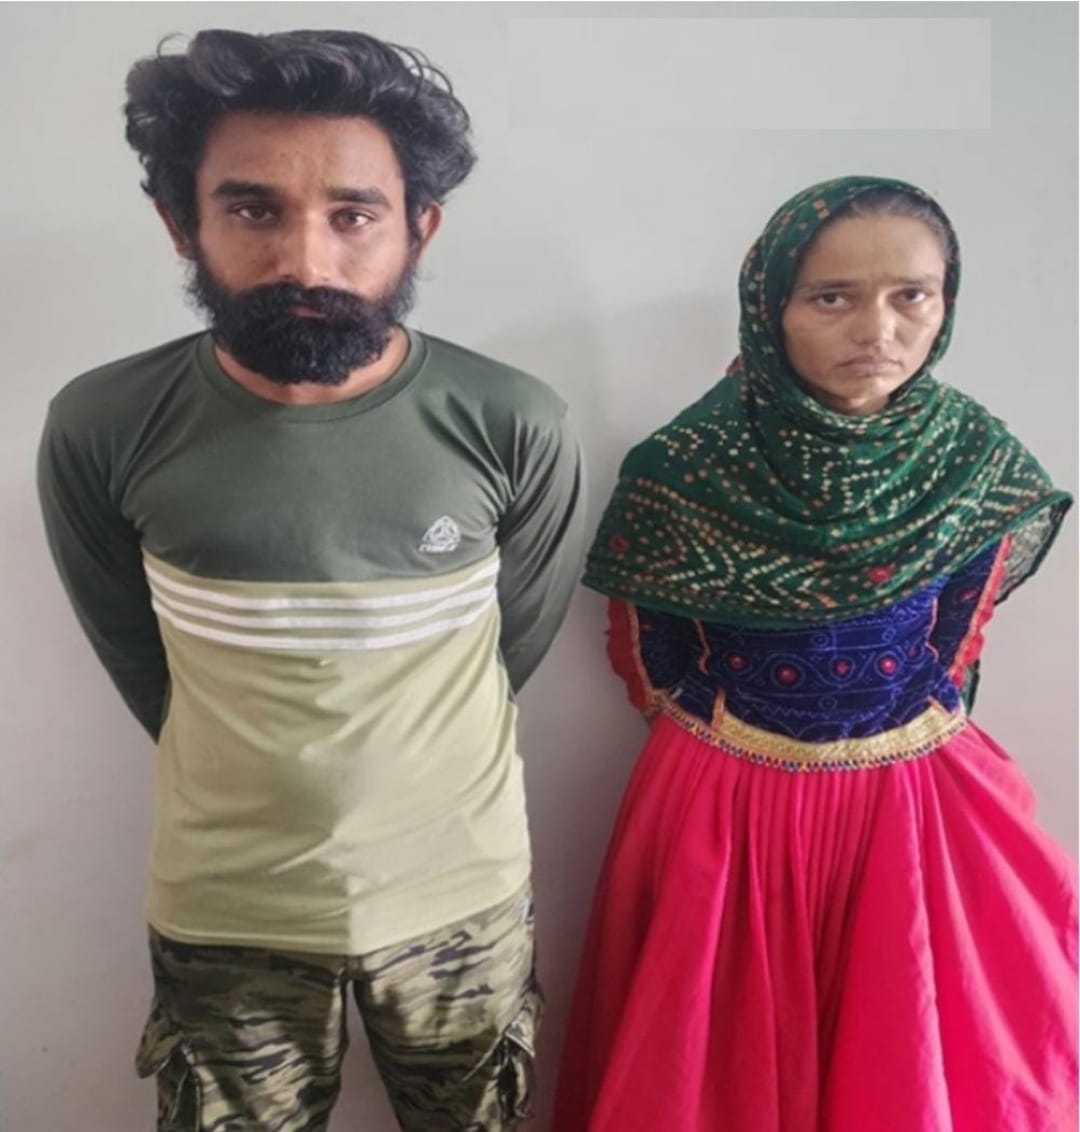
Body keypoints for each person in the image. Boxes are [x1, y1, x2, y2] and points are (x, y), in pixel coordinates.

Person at [36, 28, 585, 1132]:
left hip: (461, 899)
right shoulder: (101, 425)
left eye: (353, 214)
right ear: (180, 223)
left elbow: (509, 645)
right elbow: (139, 657)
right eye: (253, 209)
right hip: (226, 910)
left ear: (419, 226)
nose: (305, 259)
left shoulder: (513, 421)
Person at [554, 175, 1076, 1132]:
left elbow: (962, 631)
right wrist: (747, 752)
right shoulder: (686, 467)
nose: (877, 329)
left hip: (917, 802)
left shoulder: (971, 458)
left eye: (912, 295)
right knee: (711, 1063)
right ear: (771, 307)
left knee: (918, 1045)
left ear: (947, 303)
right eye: (832, 297)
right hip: (728, 800)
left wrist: (889, 734)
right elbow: (648, 649)